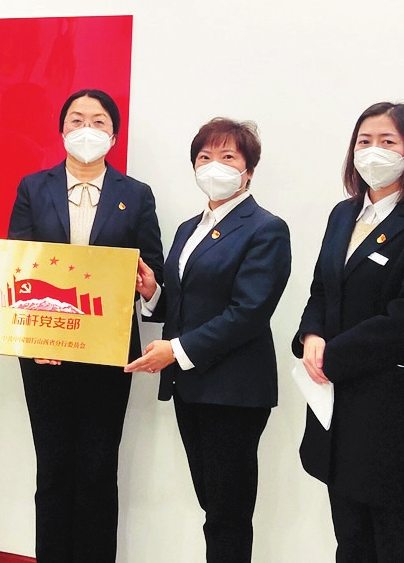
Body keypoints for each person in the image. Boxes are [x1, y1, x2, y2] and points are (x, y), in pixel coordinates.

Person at [7, 89, 164, 563]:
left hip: (109, 352)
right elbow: (18, 266)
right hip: (44, 352)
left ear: (113, 137)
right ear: (61, 131)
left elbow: (153, 273)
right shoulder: (33, 188)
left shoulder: (135, 195)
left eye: (98, 122)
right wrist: (32, 338)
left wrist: (149, 286)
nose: (86, 129)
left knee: (98, 470)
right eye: (76, 120)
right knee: (53, 468)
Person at [125, 117, 291, 563]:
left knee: (227, 513)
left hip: (234, 390)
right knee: (212, 504)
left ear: (249, 170)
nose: (214, 165)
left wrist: (175, 351)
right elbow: (185, 303)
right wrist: (153, 293)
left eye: (228, 156)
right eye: (204, 156)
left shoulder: (266, 229)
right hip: (192, 386)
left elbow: (248, 312)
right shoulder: (188, 228)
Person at [293, 103, 404, 563]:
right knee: (351, 539)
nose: (373, 150)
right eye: (365, 141)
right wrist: (311, 336)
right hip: (336, 402)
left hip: (394, 409)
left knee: (399, 539)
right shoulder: (343, 215)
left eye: (387, 141)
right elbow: (322, 288)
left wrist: (332, 356)